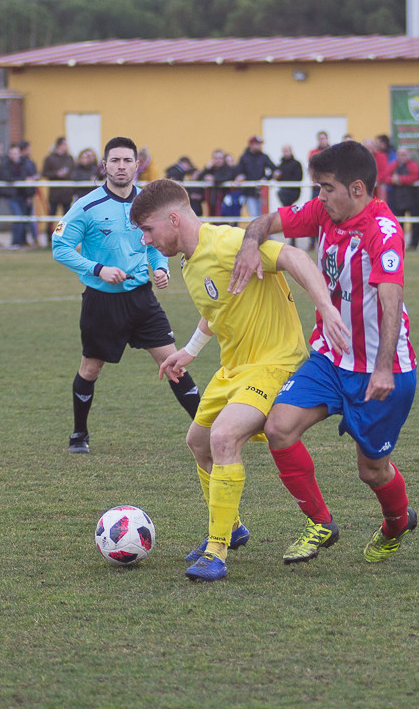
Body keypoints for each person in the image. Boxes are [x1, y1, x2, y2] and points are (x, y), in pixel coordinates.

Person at [133, 179, 350, 582]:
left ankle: (216, 551)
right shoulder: (190, 259)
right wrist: (190, 350)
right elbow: (217, 307)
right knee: (198, 442)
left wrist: (326, 308)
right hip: (233, 367)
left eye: (148, 229)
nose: (146, 240)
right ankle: (232, 528)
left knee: (223, 439)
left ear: (174, 219)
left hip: (274, 363)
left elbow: (295, 257)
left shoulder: (228, 243)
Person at [229, 139, 418, 567]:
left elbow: (392, 299)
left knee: (372, 471)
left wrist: (384, 368)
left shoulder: (382, 232)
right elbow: (263, 221)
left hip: (381, 372)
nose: (319, 197)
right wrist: (248, 244)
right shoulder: (323, 211)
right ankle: (320, 522)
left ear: (356, 188)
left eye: (327, 188)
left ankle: (396, 522)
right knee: (278, 427)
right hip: (330, 359)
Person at [51, 136, 201, 455]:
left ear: (137, 165)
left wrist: (161, 268)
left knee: (174, 365)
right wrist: (97, 268)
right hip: (102, 302)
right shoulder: (87, 205)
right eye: (115, 161)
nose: (121, 166)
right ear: (104, 166)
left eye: (127, 161)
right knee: (91, 369)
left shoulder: (147, 204)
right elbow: (59, 247)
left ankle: (208, 433)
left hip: (141, 299)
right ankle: (79, 434)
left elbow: (157, 242)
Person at [384, 144, 419, 252]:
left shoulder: (412, 165)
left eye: (404, 155)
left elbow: (415, 176)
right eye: (400, 155)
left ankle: (414, 244)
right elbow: (385, 177)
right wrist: (392, 180)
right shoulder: (394, 165)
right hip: (397, 198)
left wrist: (400, 179)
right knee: (398, 223)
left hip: (412, 197)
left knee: (415, 222)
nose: (402, 157)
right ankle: (399, 243)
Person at [42, 137, 77, 246]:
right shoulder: (50, 158)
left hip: (67, 193)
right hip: (54, 194)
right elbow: (44, 173)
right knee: (51, 216)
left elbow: (74, 172)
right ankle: (50, 238)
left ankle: (62, 236)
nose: (67, 147)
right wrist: (57, 174)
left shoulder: (69, 158)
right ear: (59, 145)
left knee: (65, 218)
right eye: (65, 144)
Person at [236, 135, 274, 218]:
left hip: (261, 191)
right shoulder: (244, 158)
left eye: (260, 144)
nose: (259, 146)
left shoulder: (264, 157)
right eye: (257, 144)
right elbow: (238, 171)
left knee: (263, 215)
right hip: (249, 191)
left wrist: (266, 179)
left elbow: (274, 169)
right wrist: (241, 177)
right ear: (251, 144)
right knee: (254, 215)